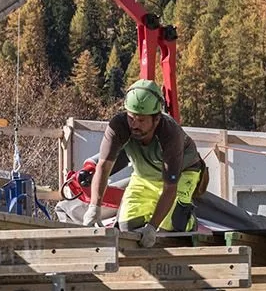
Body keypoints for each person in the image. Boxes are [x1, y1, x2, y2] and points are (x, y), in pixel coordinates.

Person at [83, 79, 205, 241]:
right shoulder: (118, 126)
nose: (134, 125)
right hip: (144, 176)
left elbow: (170, 186)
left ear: (156, 119)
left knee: (173, 226)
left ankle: (188, 220)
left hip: (181, 174)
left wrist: (152, 227)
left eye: (141, 120)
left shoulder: (170, 133)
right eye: (131, 118)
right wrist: (94, 207)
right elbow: (103, 167)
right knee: (126, 226)